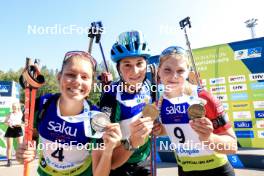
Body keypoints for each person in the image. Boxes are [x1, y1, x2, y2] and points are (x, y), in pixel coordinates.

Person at [16, 50, 122, 176]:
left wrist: (108, 150)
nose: (77, 81)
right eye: (71, 74)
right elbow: (32, 136)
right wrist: (24, 153)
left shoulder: (97, 119)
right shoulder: (43, 104)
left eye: (84, 77)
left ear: (92, 84)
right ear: (59, 77)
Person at [157, 46, 237, 176]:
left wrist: (209, 137)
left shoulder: (203, 97)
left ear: (188, 72)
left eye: (180, 71)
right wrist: (158, 130)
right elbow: (171, 130)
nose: (174, 76)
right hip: (184, 170)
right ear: (159, 72)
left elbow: (232, 146)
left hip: (217, 171)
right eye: (167, 70)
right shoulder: (160, 103)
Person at [99, 30, 160, 176]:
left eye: (140, 63)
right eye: (127, 65)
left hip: (145, 160)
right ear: (118, 69)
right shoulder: (110, 96)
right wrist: (133, 141)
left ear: (146, 64)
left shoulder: (150, 87)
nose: (135, 71)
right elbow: (110, 158)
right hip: (120, 163)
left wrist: (157, 127)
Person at [4, 102, 24, 166]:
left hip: (18, 129)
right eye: (13, 107)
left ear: (18, 107)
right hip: (11, 129)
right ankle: (9, 161)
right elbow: (5, 122)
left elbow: (24, 123)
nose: (14, 108)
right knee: (9, 146)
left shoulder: (21, 113)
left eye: (15, 107)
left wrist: (20, 124)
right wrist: (8, 124)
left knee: (20, 146)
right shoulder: (10, 114)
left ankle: (21, 159)